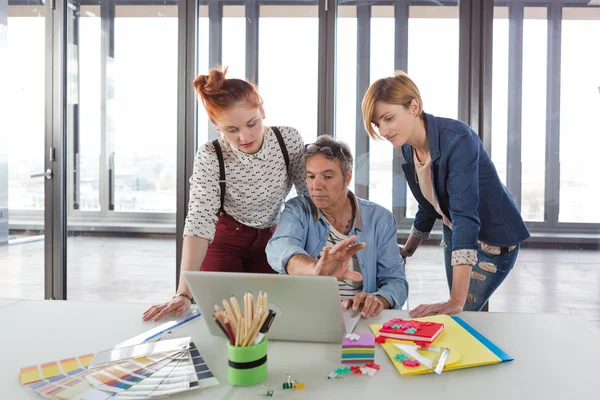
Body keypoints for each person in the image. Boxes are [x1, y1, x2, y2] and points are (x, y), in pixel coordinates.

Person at [143, 67, 307, 322]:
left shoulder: (288, 140)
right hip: (224, 241)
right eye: (232, 130)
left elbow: (308, 199)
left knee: (269, 320)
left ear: (262, 111)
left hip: (272, 241)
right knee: (223, 321)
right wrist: (183, 293)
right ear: (216, 126)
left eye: (252, 123)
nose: (245, 136)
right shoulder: (210, 156)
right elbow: (198, 221)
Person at [361, 70, 530, 317]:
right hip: (457, 232)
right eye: (378, 124)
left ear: (414, 107)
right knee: (469, 317)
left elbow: (465, 215)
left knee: (461, 315)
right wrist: (408, 249)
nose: (384, 131)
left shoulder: (457, 139)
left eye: (389, 118)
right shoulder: (409, 147)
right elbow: (429, 203)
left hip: (492, 239)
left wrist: (454, 301)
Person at [266, 136, 409, 318]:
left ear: (347, 177)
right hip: (308, 314)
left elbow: (396, 280)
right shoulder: (297, 209)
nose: (316, 186)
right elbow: (280, 247)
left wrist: (378, 300)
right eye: (310, 176)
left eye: (327, 176)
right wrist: (315, 268)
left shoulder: (380, 218)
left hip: (360, 316)